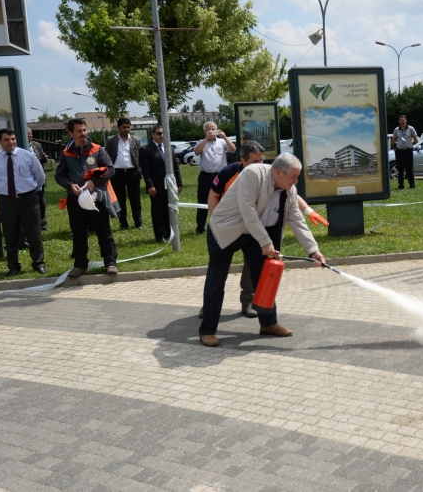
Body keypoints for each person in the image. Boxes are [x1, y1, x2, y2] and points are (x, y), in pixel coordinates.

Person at [198, 153, 327, 347]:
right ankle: (207, 330)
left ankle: (268, 323)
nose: (296, 180)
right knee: (216, 281)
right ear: (277, 172)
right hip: (225, 232)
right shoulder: (253, 174)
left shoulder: (289, 189)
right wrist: (266, 243)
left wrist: (313, 250)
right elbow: (247, 211)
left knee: (265, 278)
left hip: (254, 235)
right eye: (294, 176)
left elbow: (297, 220)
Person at [55, 118, 118, 278]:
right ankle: (80, 264)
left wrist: (94, 181)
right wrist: (70, 186)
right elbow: (59, 176)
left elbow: (110, 169)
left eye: (84, 130)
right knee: (79, 233)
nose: (83, 133)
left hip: (97, 198)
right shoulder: (66, 153)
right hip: (76, 201)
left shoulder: (97, 149)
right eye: (79, 131)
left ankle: (110, 262)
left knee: (104, 231)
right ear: (70, 133)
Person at [0, 129, 46, 276]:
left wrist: (32, 191)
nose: (11, 142)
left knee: (34, 233)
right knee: (10, 234)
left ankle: (38, 263)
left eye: (13, 139)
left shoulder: (27, 156)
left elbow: (40, 176)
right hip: (7, 201)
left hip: (28, 199)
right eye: (6, 140)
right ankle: (13, 266)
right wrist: (7, 192)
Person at [139, 125, 183, 243]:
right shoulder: (146, 149)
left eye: (163, 133)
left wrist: (179, 183)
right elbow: (146, 170)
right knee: (158, 211)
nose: (161, 136)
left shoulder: (170, 148)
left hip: (170, 185)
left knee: (169, 209)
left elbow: (176, 167)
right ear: (152, 135)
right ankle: (160, 235)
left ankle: (169, 233)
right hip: (156, 186)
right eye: (159, 133)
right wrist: (150, 185)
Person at [193, 121, 235, 234]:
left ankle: (221, 224)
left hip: (220, 175)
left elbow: (233, 150)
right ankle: (200, 226)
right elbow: (196, 151)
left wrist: (225, 137)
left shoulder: (221, 142)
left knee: (222, 200)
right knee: (202, 200)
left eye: (213, 129)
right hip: (205, 176)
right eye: (209, 129)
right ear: (205, 131)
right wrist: (206, 139)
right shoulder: (201, 142)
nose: (211, 132)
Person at [105, 117, 144, 230]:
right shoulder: (111, 140)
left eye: (128, 127)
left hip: (133, 173)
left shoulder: (136, 140)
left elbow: (140, 156)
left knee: (135, 200)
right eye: (124, 127)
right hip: (117, 174)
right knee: (120, 200)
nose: (126, 129)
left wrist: (140, 169)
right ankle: (123, 224)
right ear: (118, 127)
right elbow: (106, 156)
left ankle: (138, 223)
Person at [26, 127, 49, 231]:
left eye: (30, 137)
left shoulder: (37, 145)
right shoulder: (19, 146)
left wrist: (44, 158)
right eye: (27, 137)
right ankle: (32, 224)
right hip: (27, 179)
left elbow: (44, 158)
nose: (29, 139)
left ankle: (43, 224)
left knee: (42, 202)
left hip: (39, 178)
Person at [392, 115, 419, 189]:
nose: (402, 121)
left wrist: (410, 145)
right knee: (400, 169)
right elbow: (393, 141)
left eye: (403, 120)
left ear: (406, 120)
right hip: (399, 151)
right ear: (399, 121)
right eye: (401, 120)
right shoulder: (396, 130)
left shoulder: (411, 129)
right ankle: (401, 185)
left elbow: (416, 140)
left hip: (408, 151)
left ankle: (412, 184)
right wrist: (398, 144)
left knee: (409, 168)